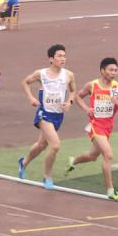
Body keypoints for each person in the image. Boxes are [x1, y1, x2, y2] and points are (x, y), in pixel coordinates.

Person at [67, 58, 118, 201]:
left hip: (108, 127)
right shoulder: (92, 85)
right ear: (102, 70)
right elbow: (78, 97)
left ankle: (73, 162)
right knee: (108, 155)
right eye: (111, 70)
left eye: (116, 70)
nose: (113, 73)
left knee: (92, 156)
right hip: (95, 125)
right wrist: (86, 109)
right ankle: (110, 191)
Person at [18, 45, 77, 190]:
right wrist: (31, 97)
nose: (63, 59)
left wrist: (69, 102)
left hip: (58, 115)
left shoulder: (69, 75)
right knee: (55, 145)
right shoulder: (41, 74)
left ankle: (23, 163)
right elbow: (25, 82)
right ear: (51, 59)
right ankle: (47, 176)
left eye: (64, 56)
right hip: (44, 113)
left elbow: (73, 91)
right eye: (59, 56)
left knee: (41, 145)